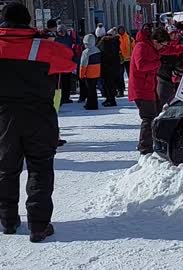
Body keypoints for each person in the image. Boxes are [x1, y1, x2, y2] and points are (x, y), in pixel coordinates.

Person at [0, 3, 76, 242]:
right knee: (40, 168)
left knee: (5, 168)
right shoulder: (42, 47)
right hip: (39, 116)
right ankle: (39, 226)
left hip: (3, 116)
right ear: (28, 21)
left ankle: (8, 221)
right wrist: (43, 40)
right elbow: (69, 63)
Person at [129, 26, 183, 155]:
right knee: (148, 118)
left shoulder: (152, 46)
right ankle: (144, 148)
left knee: (154, 115)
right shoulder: (141, 47)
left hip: (148, 87)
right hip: (141, 88)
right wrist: (157, 64)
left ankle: (149, 144)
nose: (162, 48)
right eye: (162, 44)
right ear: (155, 41)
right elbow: (141, 65)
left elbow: (168, 50)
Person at [97, 28, 122, 107]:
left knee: (108, 84)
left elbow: (103, 53)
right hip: (114, 65)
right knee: (110, 84)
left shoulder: (105, 42)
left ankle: (111, 100)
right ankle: (110, 99)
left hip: (107, 66)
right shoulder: (115, 41)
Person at [79, 34, 101, 110]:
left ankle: (91, 105)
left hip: (89, 74)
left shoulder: (86, 52)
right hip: (97, 73)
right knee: (93, 89)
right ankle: (93, 104)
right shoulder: (97, 50)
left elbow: (83, 65)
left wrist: (81, 75)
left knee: (90, 91)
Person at [55, 24, 75, 104]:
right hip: (59, 63)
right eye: (60, 32)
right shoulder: (56, 39)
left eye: (63, 31)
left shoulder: (69, 38)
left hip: (67, 62)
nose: (62, 33)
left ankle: (66, 97)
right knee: (60, 82)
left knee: (67, 81)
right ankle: (61, 97)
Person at [118, 25, 135, 97]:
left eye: (122, 29)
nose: (121, 31)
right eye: (120, 30)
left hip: (129, 59)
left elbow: (134, 47)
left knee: (130, 75)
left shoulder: (129, 38)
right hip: (120, 59)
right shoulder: (117, 38)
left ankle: (132, 88)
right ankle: (121, 90)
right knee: (120, 75)